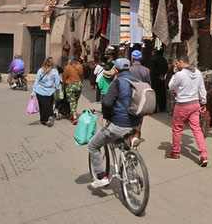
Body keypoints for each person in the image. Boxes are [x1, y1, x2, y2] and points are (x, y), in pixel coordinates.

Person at [88, 58, 142, 188]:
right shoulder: (137, 82)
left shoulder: (117, 82)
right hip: (135, 124)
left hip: (118, 124)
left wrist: (107, 116)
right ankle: (131, 151)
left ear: (116, 71)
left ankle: (102, 177)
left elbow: (106, 103)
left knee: (93, 146)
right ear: (129, 69)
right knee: (123, 144)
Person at [165, 53, 208, 167]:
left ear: (181, 61)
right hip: (195, 104)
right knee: (197, 130)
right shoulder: (198, 72)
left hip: (182, 105)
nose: (176, 65)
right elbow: (202, 89)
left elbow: (170, 86)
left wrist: (174, 73)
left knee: (177, 129)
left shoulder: (180, 75)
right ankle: (203, 155)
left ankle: (175, 152)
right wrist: (203, 102)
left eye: (176, 62)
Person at [32, 57, 61, 127]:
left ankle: (43, 119)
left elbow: (36, 82)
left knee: (42, 105)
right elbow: (57, 83)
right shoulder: (55, 71)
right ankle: (49, 116)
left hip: (40, 90)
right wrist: (56, 90)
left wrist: (33, 92)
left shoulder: (40, 70)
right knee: (49, 104)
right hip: (50, 91)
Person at [61, 56, 84, 124]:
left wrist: (64, 85)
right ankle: (72, 113)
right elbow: (82, 76)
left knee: (72, 101)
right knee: (75, 100)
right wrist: (80, 83)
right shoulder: (80, 66)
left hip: (70, 85)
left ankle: (74, 116)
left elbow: (64, 77)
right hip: (78, 85)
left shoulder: (67, 67)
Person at [149, 48, 168, 113]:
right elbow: (166, 68)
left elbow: (153, 69)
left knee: (155, 93)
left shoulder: (152, 59)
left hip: (155, 78)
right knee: (161, 93)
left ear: (153, 53)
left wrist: (157, 75)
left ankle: (154, 108)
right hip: (161, 78)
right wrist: (162, 75)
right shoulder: (163, 59)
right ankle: (162, 107)